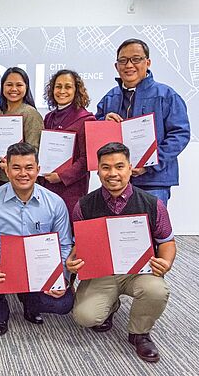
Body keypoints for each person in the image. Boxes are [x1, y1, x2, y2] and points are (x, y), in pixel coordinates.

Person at [68, 142, 175, 363]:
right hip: (103, 272)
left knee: (157, 290)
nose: (112, 173)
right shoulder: (84, 205)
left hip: (140, 272)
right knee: (85, 316)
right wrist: (72, 259)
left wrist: (165, 262)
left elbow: (167, 241)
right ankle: (111, 305)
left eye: (119, 166)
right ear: (98, 170)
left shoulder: (152, 204)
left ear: (130, 168)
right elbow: (80, 244)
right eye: (106, 167)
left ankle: (139, 333)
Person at [0, 142, 73, 336]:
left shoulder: (55, 203)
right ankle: (1, 313)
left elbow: (65, 244)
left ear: (38, 169)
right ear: (7, 170)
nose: (23, 173)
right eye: (16, 168)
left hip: (39, 263)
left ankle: (30, 304)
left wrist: (62, 276)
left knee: (63, 303)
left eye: (29, 168)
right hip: (1, 259)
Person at [96, 38, 190, 206]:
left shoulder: (166, 95)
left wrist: (150, 164)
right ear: (116, 66)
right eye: (123, 60)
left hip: (154, 181)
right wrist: (103, 122)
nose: (129, 65)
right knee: (119, 231)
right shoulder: (110, 98)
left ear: (148, 62)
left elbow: (180, 135)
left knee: (152, 229)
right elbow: (93, 132)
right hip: (115, 182)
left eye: (136, 59)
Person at [39, 69, 95, 217]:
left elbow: (86, 159)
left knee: (68, 233)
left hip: (72, 190)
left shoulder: (86, 119)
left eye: (68, 87)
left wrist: (62, 176)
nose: (62, 91)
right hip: (47, 185)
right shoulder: (48, 118)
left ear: (76, 90)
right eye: (58, 86)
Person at [0, 67, 43, 189]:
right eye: (9, 84)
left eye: (19, 85)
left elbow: (33, 149)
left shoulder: (31, 113)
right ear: (2, 87)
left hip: (21, 179)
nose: (13, 89)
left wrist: (12, 165)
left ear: (26, 87)